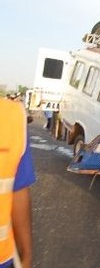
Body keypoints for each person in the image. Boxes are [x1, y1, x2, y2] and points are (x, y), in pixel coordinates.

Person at [0, 98, 36, 268]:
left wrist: (26, 255)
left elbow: (18, 190)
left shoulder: (12, 115)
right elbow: (19, 189)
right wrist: (26, 255)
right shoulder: (10, 115)